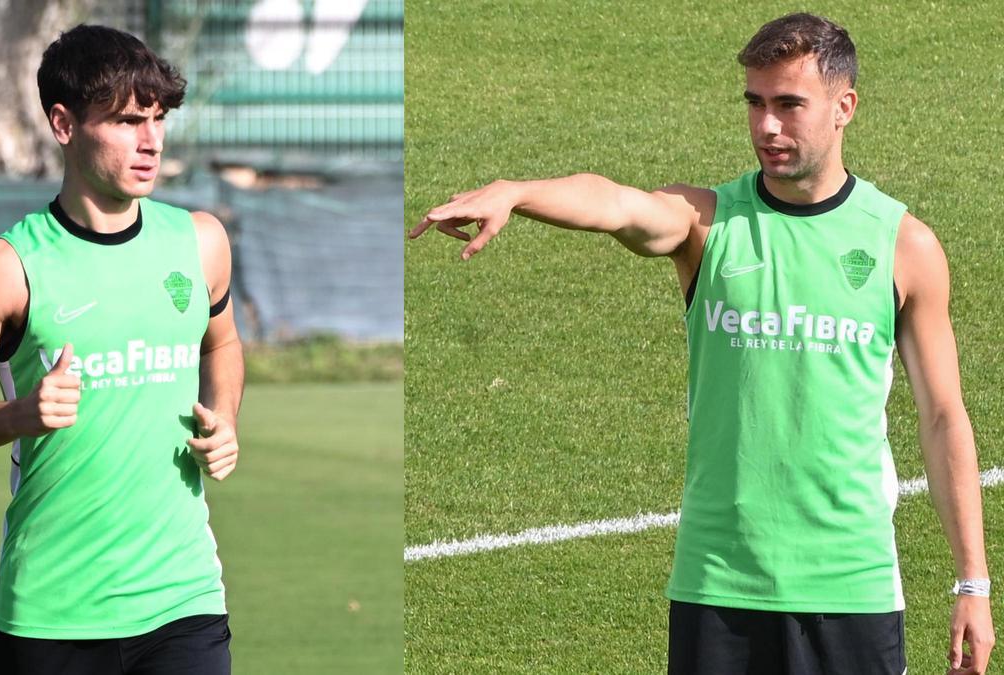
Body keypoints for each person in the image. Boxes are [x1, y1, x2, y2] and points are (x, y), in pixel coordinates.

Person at [410, 13, 993, 675]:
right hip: (718, 583)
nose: (767, 126)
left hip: (851, 587)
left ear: (844, 107)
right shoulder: (707, 224)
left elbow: (945, 416)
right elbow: (617, 205)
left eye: (789, 105)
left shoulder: (904, 246)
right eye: (755, 103)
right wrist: (520, 192)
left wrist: (973, 582)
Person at [0, 24, 242, 675]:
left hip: (184, 599)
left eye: (158, 118)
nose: (151, 141)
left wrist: (225, 416)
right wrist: (14, 416)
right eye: (126, 121)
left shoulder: (199, 242)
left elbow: (221, 343)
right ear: (64, 123)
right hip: (52, 613)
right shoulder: (8, 267)